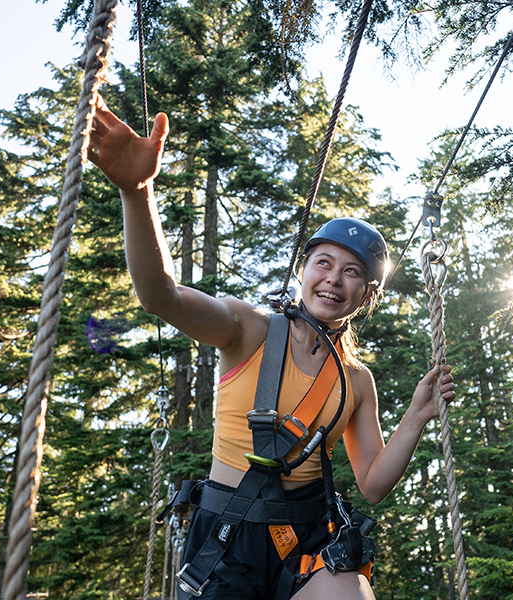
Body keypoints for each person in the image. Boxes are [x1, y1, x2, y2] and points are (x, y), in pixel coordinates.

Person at [87, 94, 456, 600]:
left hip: (305, 540)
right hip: (227, 538)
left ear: (366, 295)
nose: (333, 279)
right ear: (304, 271)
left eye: (352, 272)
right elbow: (160, 295)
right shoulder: (249, 329)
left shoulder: (357, 380)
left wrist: (415, 417)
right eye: (323, 263)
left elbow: (371, 483)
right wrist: (136, 190)